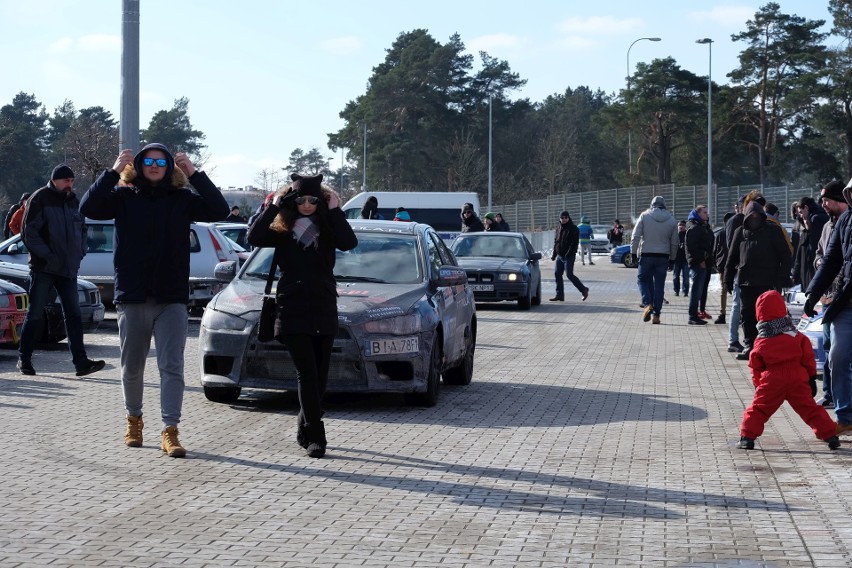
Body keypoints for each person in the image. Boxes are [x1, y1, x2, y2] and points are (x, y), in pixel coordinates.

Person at [80, 144, 230, 458]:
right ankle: (134, 421)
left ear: (168, 167)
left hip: (171, 296)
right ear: (138, 165)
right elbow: (88, 208)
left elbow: (220, 210)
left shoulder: (183, 199)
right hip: (133, 295)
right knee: (132, 366)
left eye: (160, 161)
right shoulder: (123, 197)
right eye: (147, 160)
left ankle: (170, 431)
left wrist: (194, 174)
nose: (154, 165)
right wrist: (111, 172)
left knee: (171, 367)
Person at [247, 174, 358, 458]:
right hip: (291, 305)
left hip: (323, 303)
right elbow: (254, 236)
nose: (307, 205)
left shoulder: (328, 227)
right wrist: (273, 205)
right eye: (301, 200)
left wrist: (335, 210)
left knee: (320, 376)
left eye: (313, 200)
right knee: (306, 372)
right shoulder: (282, 229)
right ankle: (317, 436)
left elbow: (348, 242)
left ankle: (303, 425)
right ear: (291, 201)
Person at [16, 164, 105, 378]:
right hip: (44, 268)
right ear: (55, 180)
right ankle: (24, 359)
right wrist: (47, 255)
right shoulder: (40, 198)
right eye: (66, 180)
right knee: (35, 313)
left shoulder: (73, 201)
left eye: (72, 181)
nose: (70, 184)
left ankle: (81, 363)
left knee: (73, 315)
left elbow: (83, 229)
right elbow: (29, 232)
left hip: (68, 269)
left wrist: (80, 251)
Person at [736, 290, 839, 451]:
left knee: (759, 408)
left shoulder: (762, 339)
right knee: (809, 409)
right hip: (796, 377)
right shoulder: (796, 335)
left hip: (772, 379)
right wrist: (811, 378)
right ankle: (830, 435)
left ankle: (747, 437)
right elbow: (808, 358)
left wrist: (758, 384)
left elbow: (755, 364)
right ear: (783, 310)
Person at [805, 177, 852, 436]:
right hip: (844, 303)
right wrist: (812, 295)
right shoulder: (844, 222)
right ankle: (845, 417)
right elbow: (830, 261)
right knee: (837, 355)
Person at [724, 200, 792, 361]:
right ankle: (750, 346)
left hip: (767, 282)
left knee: (769, 317)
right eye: (751, 216)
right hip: (746, 282)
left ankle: (769, 347)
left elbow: (785, 255)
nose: (754, 219)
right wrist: (727, 278)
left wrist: (781, 278)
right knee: (747, 316)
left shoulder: (773, 231)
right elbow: (732, 257)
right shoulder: (739, 232)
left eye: (757, 216)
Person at [813, 181, 848, 408]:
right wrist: (819, 262)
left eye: (827, 200)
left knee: (842, 353)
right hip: (828, 297)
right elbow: (820, 254)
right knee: (828, 349)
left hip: (845, 297)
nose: (823, 205)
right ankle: (829, 394)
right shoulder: (827, 227)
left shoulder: (846, 224)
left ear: (839, 200)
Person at [725, 192, 766, 353]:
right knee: (738, 306)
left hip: (753, 274)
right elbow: (732, 247)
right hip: (740, 271)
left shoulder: (763, 224)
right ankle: (733, 340)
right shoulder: (736, 221)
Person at [631, 196, 678, 325]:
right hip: (663, 257)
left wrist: (633, 253)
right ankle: (656, 315)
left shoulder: (644, 216)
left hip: (646, 255)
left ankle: (647, 304)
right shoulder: (672, 220)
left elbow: (635, 236)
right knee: (659, 285)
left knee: (642, 280)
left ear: (652, 205)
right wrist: (672, 259)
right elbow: (675, 243)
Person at [549, 211, 588, 302]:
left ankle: (583, 289)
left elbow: (574, 244)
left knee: (569, 274)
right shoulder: (559, 228)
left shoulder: (573, 228)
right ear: (560, 219)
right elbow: (556, 242)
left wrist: (568, 254)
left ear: (569, 218)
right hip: (560, 256)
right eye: (562, 217)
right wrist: (554, 254)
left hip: (569, 256)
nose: (564, 219)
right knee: (557, 274)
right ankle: (559, 295)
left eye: (566, 217)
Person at [792, 196, 829, 291]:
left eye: (800, 212)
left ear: (806, 208)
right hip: (811, 271)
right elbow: (800, 251)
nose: (800, 215)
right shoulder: (809, 221)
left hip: (813, 272)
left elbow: (814, 248)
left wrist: (809, 230)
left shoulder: (815, 220)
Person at [685, 205, 714, 324]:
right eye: (705, 212)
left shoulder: (703, 226)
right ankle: (692, 316)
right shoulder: (694, 227)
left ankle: (698, 312)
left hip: (705, 262)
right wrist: (700, 260)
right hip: (699, 264)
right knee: (696, 290)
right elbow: (692, 247)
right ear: (698, 214)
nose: (707, 214)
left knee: (701, 289)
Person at [712, 211, 735, 325]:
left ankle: (722, 314)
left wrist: (717, 263)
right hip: (733, 265)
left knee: (723, 290)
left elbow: (715, 251)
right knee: (736, 291)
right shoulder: (737, 232)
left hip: (724, 265)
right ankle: (737, 314)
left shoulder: (721, 234)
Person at [671, 220, 689, 298]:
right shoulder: (675, 235)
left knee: (686, 277)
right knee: (675, 277)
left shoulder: (688, 235)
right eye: (679, 225)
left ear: (685, 227)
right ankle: (676, 291)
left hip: (685, 260)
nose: (681, 226)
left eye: (683, 225)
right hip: (676, 260)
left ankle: (685, 291)